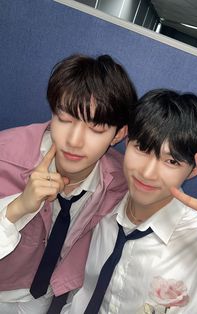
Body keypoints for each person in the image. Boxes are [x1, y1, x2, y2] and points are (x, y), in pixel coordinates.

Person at [61, 89, 197, 314]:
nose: (148, 172)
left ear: (192, 171)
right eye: (142, 148)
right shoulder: (100, 209)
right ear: (126, 142)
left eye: (171, 161)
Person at [0, 53, 137, 314]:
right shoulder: (5, 156)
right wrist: (19, 207)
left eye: (96, 129)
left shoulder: (122, 181)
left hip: (41, 296)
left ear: (118, 134)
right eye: (64, 119)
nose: (74, 140)